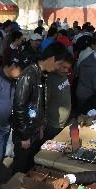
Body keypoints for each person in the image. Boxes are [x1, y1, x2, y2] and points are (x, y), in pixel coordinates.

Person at [11, 42, 69, 173]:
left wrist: (41, 125)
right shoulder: (29, 75)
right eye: (59, 64)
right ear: (53, 59)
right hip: (26, 133)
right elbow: (19, 107)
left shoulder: (42, 74)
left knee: (31, 164)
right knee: (21, 167)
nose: (57, 68)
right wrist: (24, 135)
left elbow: (41, 103)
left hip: (35, 130)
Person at [45, 52, 74, 141]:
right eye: (64, 67)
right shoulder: (49, 80)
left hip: (64, 121)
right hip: (52, 124)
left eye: (68, 68)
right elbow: (44, 102)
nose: (66, 70)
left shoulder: (64, 75)